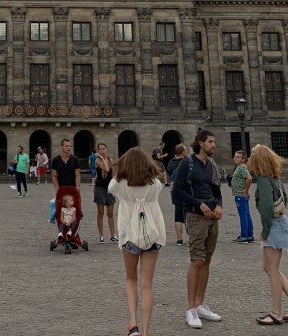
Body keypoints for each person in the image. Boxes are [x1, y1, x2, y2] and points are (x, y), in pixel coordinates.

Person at [109, 146, 167, 336]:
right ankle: (146, 332)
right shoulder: (155, 185)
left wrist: (117, 171)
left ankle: (133, 324)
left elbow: (111, 185)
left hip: (129, 237)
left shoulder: (119, 186)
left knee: (131, 278)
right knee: (147, 284)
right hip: (153, 236)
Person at [171, 130, 224, 329]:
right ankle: (191, 308)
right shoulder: (188, 163)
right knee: (197, 260)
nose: (214, 144)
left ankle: (200, 303)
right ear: (201, 143)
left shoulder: (212, 164)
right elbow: (177, 189)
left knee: (207, 260)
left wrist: (219, 205)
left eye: (214, 141)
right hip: (195, 216)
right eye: (211, 141)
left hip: (212, 217)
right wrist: (198, 204)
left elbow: (217, 190)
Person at [249, 144, 288, 326]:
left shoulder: (264, 180)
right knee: (269, 267)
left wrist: (265, 230)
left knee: (272, 270)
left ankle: (276, 313)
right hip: (281, 223)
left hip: (273, 226)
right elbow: (286, 199)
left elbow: (266, 208)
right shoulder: (275, 177)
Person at [94, 142, 117, 243]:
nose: (102, 151)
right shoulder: (97, 161)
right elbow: (106, 169)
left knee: (111, 213)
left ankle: (113, 235)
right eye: (100, 149)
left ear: (106, 149)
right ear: (98, 151)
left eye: (104, 149)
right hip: (100, 188)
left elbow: (114, 173)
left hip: (109, 189)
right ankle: (101, 235)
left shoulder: (111, 160)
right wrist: (103, 159)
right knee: (100, 213)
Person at [231, 150, 254, 243]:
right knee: (247, 214)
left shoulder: (242, 168)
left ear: (243, 159)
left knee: (243, 215)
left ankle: (244, 235)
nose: (235, 158)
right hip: (240, 194)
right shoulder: (240, 167)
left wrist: (245, 191)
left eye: (238, 157)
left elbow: (249, 178)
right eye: (235, 156)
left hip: (240, 194)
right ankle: (249, 235)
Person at [167, 143, 187, 246]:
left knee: (178, 214)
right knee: (190, 214)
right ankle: (192, 238)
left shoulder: (171, 162)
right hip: (187, 191)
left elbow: (169, 173)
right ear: (183, 152)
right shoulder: (186, 162)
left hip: (175, 191)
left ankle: (179, 239)